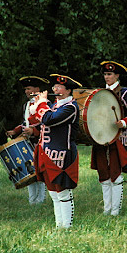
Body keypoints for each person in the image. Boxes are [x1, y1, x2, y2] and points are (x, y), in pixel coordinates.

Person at [29, 74, 82, 229]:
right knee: (53, 192)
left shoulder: (71, 107)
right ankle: (60, 226)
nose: (55, 89)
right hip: (47, 154)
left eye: (59, 87)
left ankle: (67, 226)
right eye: (54, 87)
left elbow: (49, 119)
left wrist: (42, 103)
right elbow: (41, 123)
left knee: (63, 192)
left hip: (63, 155)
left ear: (68, 91)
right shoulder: (53, 106)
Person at [91, 61, 127, 216]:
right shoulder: (99, 93)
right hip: (101, 138)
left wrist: (123, 123)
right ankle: (107, 209)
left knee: (116, 174)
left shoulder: (125, 93)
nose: (107, 77)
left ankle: (115, 211)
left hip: (118, 138)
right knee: (104, 174)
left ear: (117, 75)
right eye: (105, 74)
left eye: (110, 74)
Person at [6, 76, 48, 205]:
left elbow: (47, 123)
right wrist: (16, 131)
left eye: (28, 88)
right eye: (25, 89)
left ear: (37, 89)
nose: (26, 91)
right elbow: (26, 122)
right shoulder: (27, 104)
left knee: (40, 172)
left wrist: (34, 132)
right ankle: (32, 200)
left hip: (41, 142)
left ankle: (40, 199)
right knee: (30, 171)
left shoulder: (45, 104)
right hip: (27, 143)